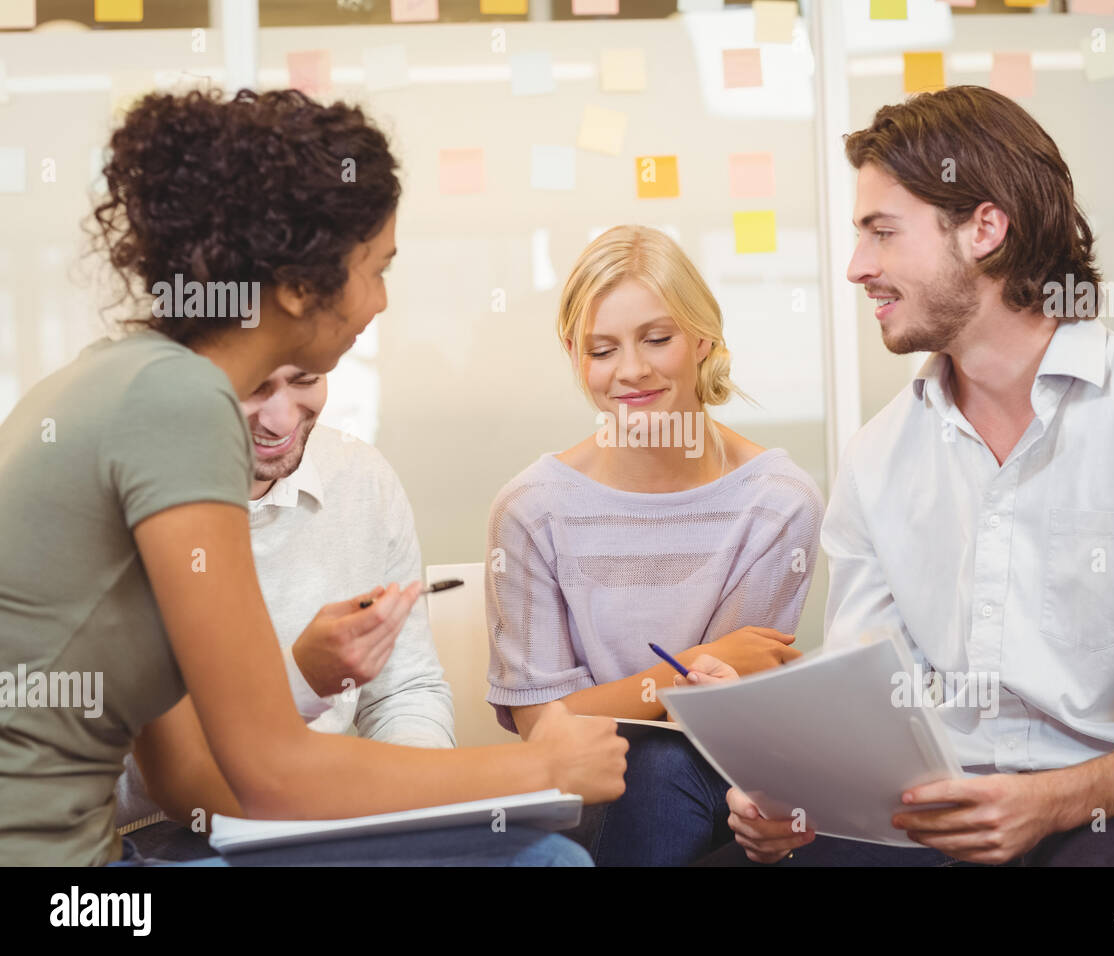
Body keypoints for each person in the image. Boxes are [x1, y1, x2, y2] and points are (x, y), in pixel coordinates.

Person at [0, 87, 625, 867]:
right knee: (545, 863)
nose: (381, 301)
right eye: (376, 268)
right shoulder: (177, 405)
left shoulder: (120, 382)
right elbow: (272, 775)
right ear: (300, 287)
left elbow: (197, 782)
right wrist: (536, 768)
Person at [715, 85, 1114, 867]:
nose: (857, 269)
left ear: (985, 228)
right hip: (937, 812)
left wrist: (1050, 801)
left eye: (882, 233)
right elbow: (874, 697)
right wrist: (802, 789)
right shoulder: (879, 456)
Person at [484, 225, 825, 866]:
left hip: (724, 793)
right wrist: (683, 668)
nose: (631, 371)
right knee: (656, 764)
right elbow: (546, 729)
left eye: (657, 339)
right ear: (574, 354)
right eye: (602, 349)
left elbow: (720, 710)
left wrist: (689, 677)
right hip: (585, 801)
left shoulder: (778, 501)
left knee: (677, 764)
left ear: (703, 338)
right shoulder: (531, 509)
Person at [113, 366, 458, 860]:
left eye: (305, 378)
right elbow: (182, 775)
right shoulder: (136, 500)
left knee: (552, 859)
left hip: (325, 818)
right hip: (159, 836)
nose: (279, 421)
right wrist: (301, 678)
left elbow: (405, 691)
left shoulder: (362, 479)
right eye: (254, 385)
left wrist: (414, 814)